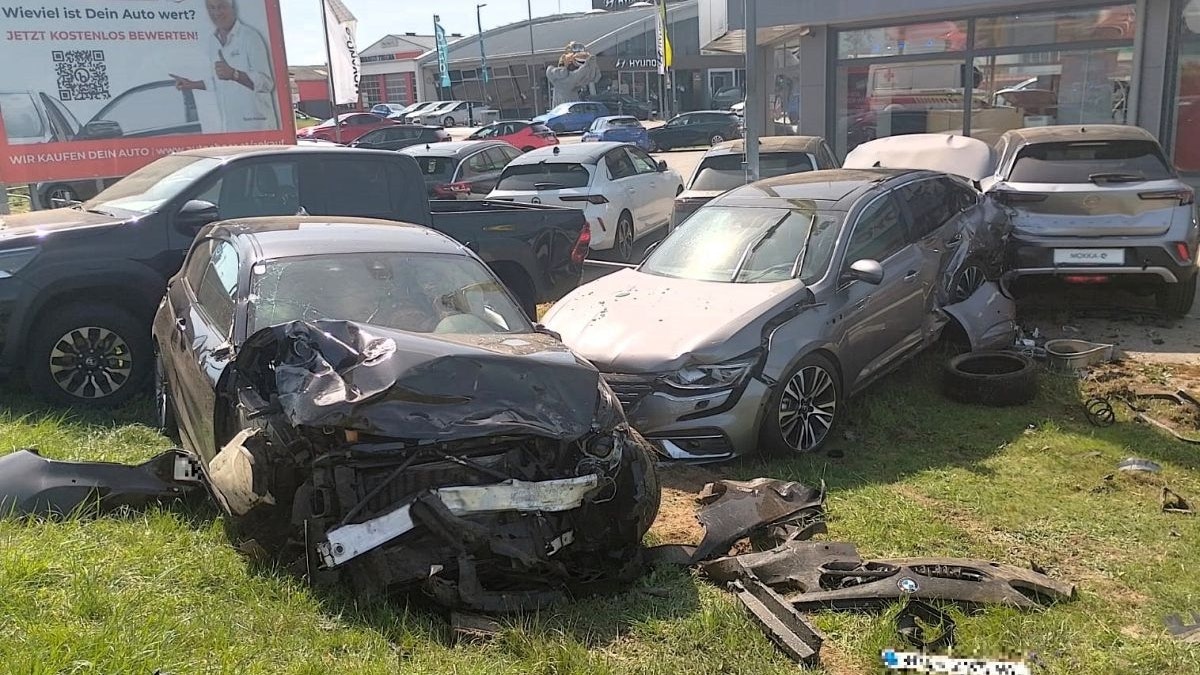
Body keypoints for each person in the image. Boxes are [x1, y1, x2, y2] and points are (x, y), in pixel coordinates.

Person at [169, 0, 278, 132]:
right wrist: (192, 85)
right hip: (230, 128)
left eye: (221, 7)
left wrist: (234, 74)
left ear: (233, 8)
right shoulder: (212, 41)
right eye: (211, 8)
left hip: (258, 129)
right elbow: (218, 81)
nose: (216, 13)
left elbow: (266, 83)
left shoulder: (250, 37)